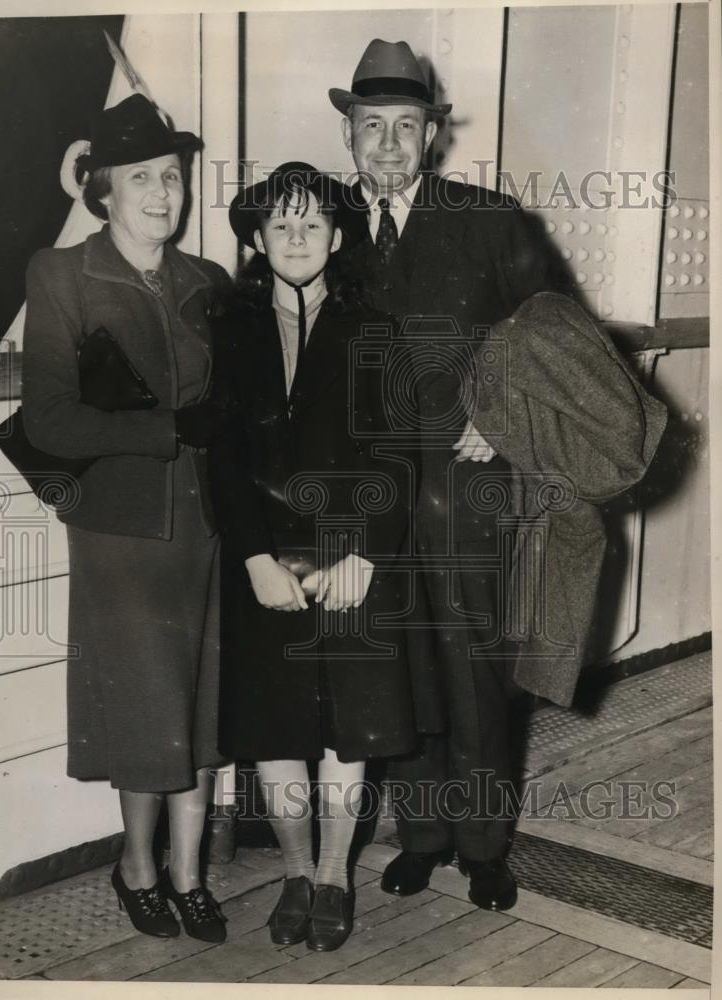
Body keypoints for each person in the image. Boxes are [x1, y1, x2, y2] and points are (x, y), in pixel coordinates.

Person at [330, 39, 565, 911]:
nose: (387, 144)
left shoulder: (488, 219)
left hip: (467, 488)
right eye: (370, 126)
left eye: (405, 126)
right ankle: (421, 836)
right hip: (367, 491)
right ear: (348, 135)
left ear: (431, 135)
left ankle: (482, 845)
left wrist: (499, 420)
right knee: (397, 665)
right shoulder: (316, 228)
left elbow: (551, 337)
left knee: (472, 665)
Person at [21, 94, 229, 942]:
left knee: (204, 709)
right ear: (102, 190)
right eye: (140, 177)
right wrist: (168, 430)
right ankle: (136, 867)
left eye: (172, 177)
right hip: (120, 535)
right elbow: (50, 422)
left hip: (209, 527)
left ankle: (188, 874)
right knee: (148, 709)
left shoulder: (208, 282)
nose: (160, 193)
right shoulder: (61, 275)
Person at [209, 162, 416, 951]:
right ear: (258, 239)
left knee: (341, 735)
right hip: (264, 562)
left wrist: (362, 553)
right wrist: (255, 558)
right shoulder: (230, 329)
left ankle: (333, 877)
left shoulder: (375, 329)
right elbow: (223, 459)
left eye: (312, 224)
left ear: (337, 235)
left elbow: (397, 457)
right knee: (276, 731)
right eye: (280, 225)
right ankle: (294, 874)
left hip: (349, 561)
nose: (297, 238)